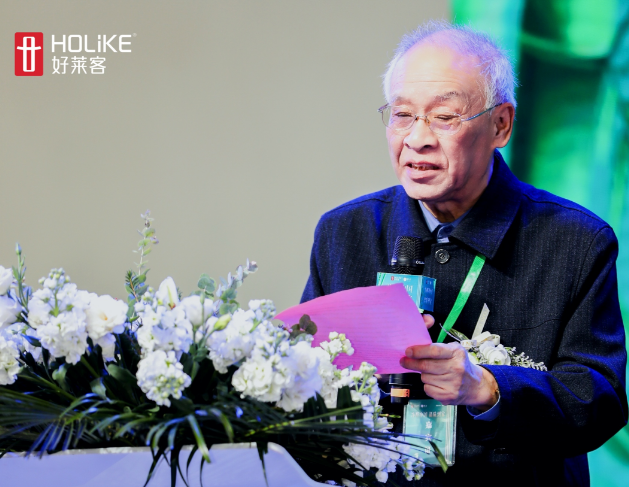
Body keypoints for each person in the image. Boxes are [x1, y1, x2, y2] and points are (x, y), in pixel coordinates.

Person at [301, 22, 628, 486]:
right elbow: (307, 384)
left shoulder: (575, 240)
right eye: (402, 115)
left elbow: (599, 401)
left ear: (501, 125)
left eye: (444, 117)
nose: (417, 138)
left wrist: (488, 388)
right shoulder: (345, 232)